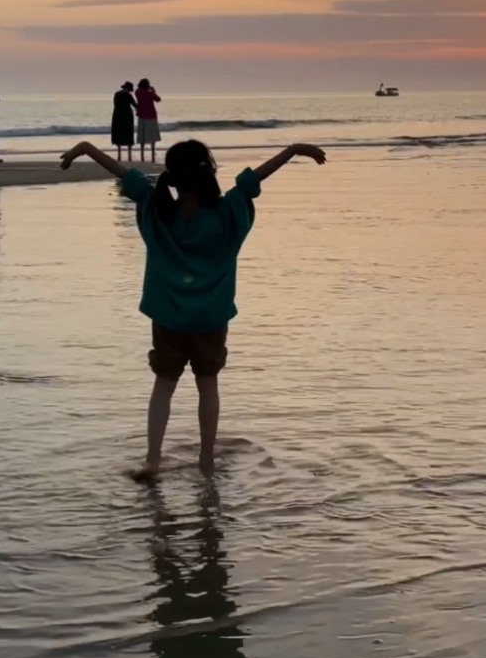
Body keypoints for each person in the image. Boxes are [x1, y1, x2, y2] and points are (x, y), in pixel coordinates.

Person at [59, 136, 328, 480]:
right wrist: (293, 151)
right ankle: (206, 460)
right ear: (208, 173)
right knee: (208, 386)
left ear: (173, 177)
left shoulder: (158, 211)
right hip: (211, 319)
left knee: (163, 387)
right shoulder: (227, 214)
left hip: (169, 318)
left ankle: (152, 461)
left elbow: (126, 175)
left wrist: (84, 148)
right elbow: (250, 182)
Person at [136, 78, 162, 162]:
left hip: (141, 115)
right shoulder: (150, 93)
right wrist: (153, 91)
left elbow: (138, 91)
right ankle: (153, 150)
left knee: (142, 134)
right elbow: (158, 99)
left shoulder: (138, 92)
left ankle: (142, 151)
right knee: (152, 135)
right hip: (151, 115)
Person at [111, 80, 136, 161]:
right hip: (127, 115)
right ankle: (129, 155)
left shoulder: (117, 94)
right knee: (128, 133)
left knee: (118, 134)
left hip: (117, 115)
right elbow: (135, 105)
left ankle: (119, 154)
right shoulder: (129, 96)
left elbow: (115, 104)